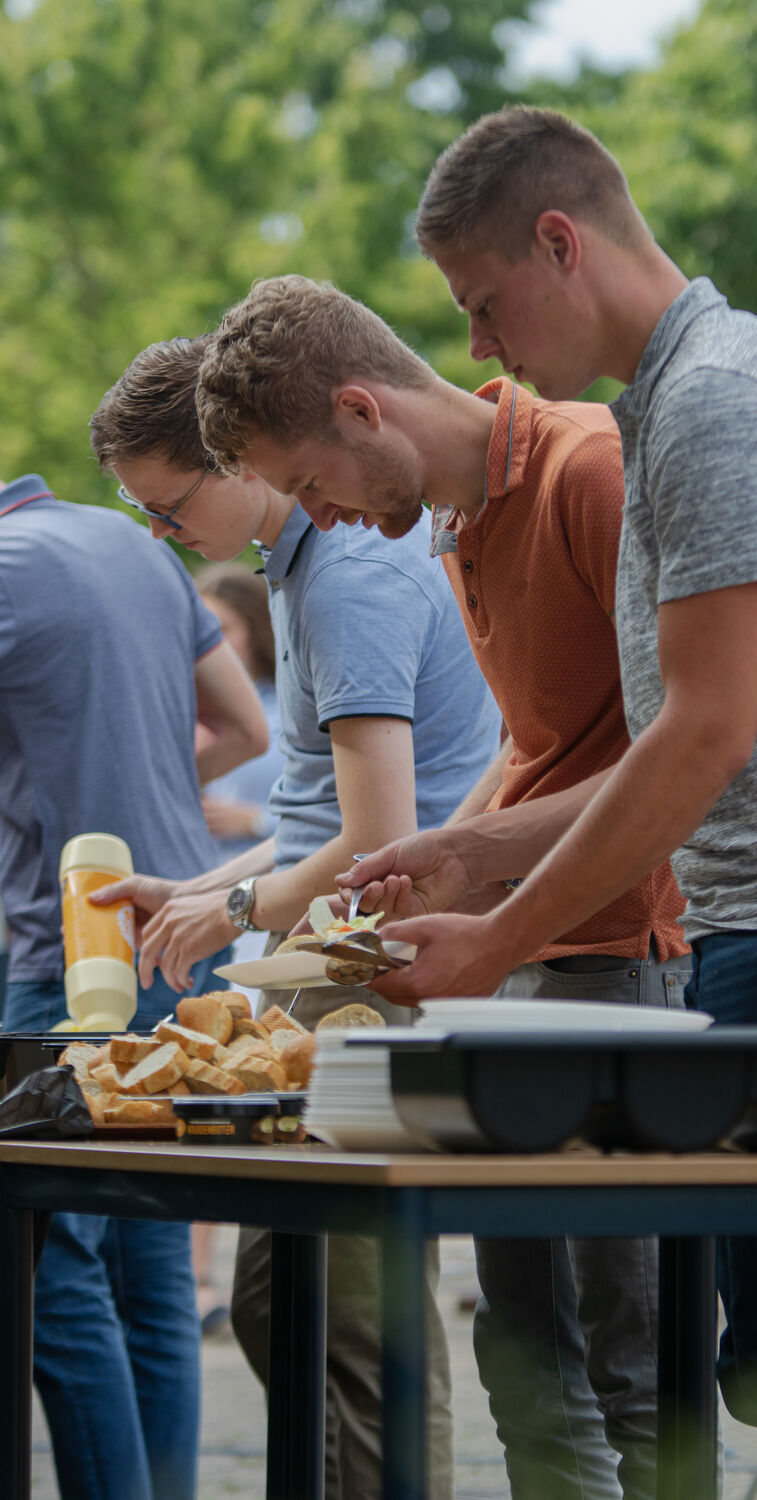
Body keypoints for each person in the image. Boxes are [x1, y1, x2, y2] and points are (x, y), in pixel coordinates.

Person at [325, 106, 757, 1498]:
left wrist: (496, 944)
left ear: (560, 243)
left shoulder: (719, 402)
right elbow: (670, 744)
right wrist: (470, 852)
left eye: (483, 303)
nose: (478, 346)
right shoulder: (684, 399)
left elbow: (703, 740)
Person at [193, 272, 692, 1499]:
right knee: (524, 1359)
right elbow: (535, 745)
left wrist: (478, 878)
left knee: (630, 1367)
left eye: (309, 485)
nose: (319, 518)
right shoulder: (457, 521)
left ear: (362, 412)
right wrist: (446, 858)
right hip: (513, 962)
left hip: (620, 956)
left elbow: (682, 752)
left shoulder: (587, 470)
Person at [88, 335, 503, 1500]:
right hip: (333, 950)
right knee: (286, 1299)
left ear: (236, 461)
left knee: (350, 1314)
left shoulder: (349, 576)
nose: (160, 535)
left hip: (369, 959)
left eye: (169, 507)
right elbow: (325, 813)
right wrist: (200, 890)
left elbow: (376, 843)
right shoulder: (302, 560)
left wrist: (230, 907)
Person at [0, 471, 268, 1500]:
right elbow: (242, 730)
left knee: (47, 1271)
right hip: (185, 935)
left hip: (74, 958)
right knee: (151, 1279)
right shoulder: (130, 542)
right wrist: (139, 795)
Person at [195, 562, 286, 1335]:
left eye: (220, 628)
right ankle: (196, 1275)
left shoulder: (285, 711)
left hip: (265, 915)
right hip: (210, 907)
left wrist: (249, 825)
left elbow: (330, 818)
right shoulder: (199, 711)